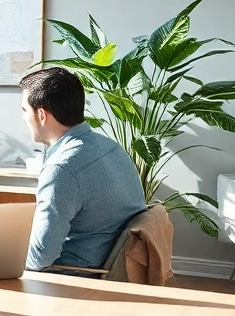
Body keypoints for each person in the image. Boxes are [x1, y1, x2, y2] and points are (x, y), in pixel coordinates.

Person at [19, 67, 147, 271]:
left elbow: (40, 259)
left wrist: (1, 254)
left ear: (41, 115)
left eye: (25, 110)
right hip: (112, 264)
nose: (24, 118)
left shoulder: (61, 169)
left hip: (75, 273)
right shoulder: (110, 146)